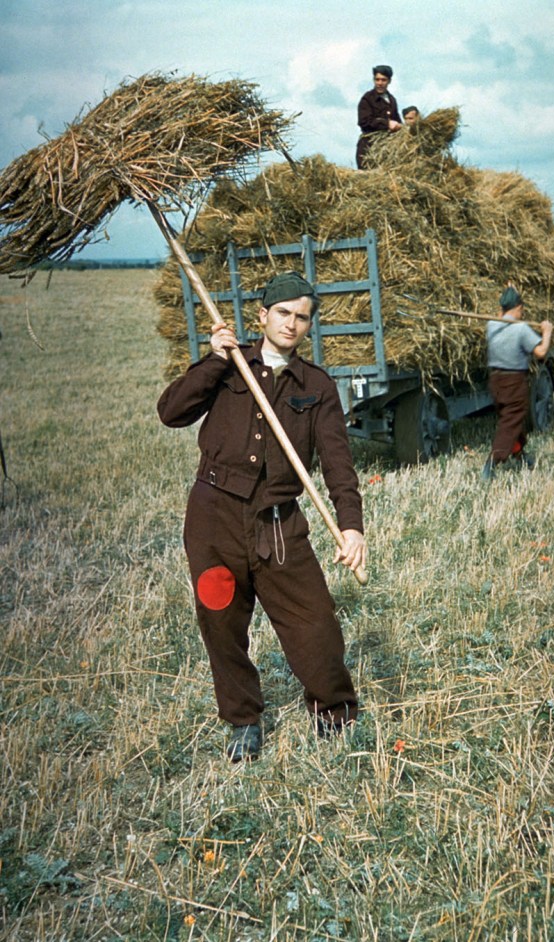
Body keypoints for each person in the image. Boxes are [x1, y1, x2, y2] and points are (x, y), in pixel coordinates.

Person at [157, 271, 366, 762]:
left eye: (302, 317)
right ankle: (243, 721)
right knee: (221, 621)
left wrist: (351, 525)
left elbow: (338, 463)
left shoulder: (316, 385)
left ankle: (334, 712)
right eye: (283, 313)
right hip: (214, 519)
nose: (291, 324)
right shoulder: (228, 365)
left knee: (314, 621)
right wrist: (214, 359)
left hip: (279, 522)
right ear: (263, 315)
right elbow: (171, 412)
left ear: (309, 325)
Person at [482, 285, 553, 481]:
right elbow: (540, 352)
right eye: (522, 309)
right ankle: (492, 462)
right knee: (511, 421)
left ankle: (520, 455)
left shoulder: (491, 325)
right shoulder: (521, 329)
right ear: (519, 307)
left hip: (495, 382)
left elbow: (502, 313)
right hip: (514, 382)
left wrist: (509, 293)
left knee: (512, 419)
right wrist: (547, 332)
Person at [356, 64, 402, 169]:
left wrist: (399, 126)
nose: (380, 83)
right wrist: (387, 124)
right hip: (369, 149)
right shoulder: (367, 98)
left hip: (387, 150)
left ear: (389, 81)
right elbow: (363, 121)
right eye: (377, 80)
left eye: (383, 80)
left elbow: (397, 120)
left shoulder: (392, 100)